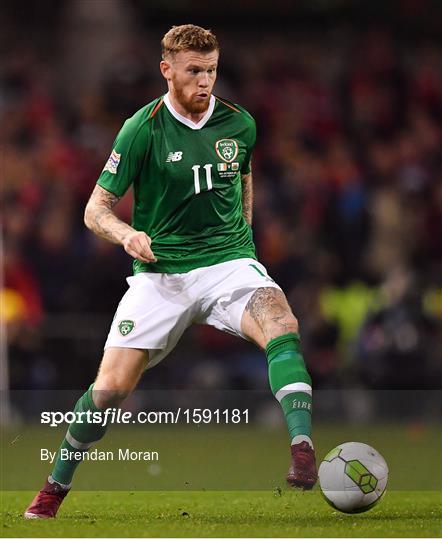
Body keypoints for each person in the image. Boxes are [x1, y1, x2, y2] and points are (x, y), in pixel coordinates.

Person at [24, 24, 317, 519]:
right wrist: (126, 235)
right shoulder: (142, 128)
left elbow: (243, 178)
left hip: (228, 264)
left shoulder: (239, 124)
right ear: (167, 70)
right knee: (110, 390)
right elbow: (96, 209)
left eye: (211, 71)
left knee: (282, 323)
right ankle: (54, 487)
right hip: (161, 275)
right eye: (194, 71)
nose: (205, 81)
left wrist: (243, 246)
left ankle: (303, 450)